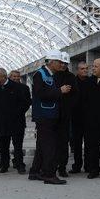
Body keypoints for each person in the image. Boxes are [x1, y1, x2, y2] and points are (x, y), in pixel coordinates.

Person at [29, 50, 71, 185]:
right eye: (59, 62)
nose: (61, 64)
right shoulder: (40, 75)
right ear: (51, 62)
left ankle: (35, 172)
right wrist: (60, 91)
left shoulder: (50, 75)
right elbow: (40, 93)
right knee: (50, 146)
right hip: (44, 116)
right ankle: (49, 174)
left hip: (50, 115)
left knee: (42, 145)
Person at [0, 68, 32, 174]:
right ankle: (4, 165)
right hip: (0, 122)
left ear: (3, 76)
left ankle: (19, 165)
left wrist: (18, 113)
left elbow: (25, 103)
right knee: (2, 146)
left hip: (16, 121)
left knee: (17, 145)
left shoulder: (17, 87)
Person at [54, 52, 78, 178]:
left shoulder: (71, 77)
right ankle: (50, 165)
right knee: (51, 142)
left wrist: (69, 108)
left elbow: (75, 95)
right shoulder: (52, 76)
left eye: (65, 63)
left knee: (63, 142)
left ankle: (62, 167)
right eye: (61, 63)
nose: (63, 65)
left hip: (65, 114)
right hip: (52, 114)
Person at [9, 70, 32, 172]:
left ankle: (20, 164)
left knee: (18, 143)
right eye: (13, 76)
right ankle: (7, 161)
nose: (16, 78)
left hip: (19, 119)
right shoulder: (5, 87)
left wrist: (19, 112)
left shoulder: (25, 88)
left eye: (17, 76)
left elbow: (27, 102)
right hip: (6, 120)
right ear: (10, 77)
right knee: (4, 143)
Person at [70, 61, 89, 174]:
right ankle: (77, 165)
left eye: (86, 68)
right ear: (78, 70)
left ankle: (88, 165)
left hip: (88, 117)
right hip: (76, 117)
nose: (85, 70)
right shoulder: (73, 82)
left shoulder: (91, 81)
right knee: (76, 144)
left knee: (89, 143)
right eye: (82, 69)